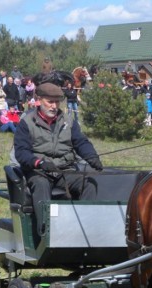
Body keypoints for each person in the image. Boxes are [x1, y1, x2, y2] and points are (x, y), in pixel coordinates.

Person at [14, 81, 104, 235]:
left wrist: (92, 157)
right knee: (41, 185)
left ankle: (86, 228)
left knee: (90, 181)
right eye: (50, 102)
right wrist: (39, 163)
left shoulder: (68, 121)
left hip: (66, 171)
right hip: (39, 172)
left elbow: (81, 142)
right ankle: (45, 232)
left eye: (57, 102)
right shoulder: (26, 123)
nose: (54, 106)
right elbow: (21, 152)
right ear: (39, 100)